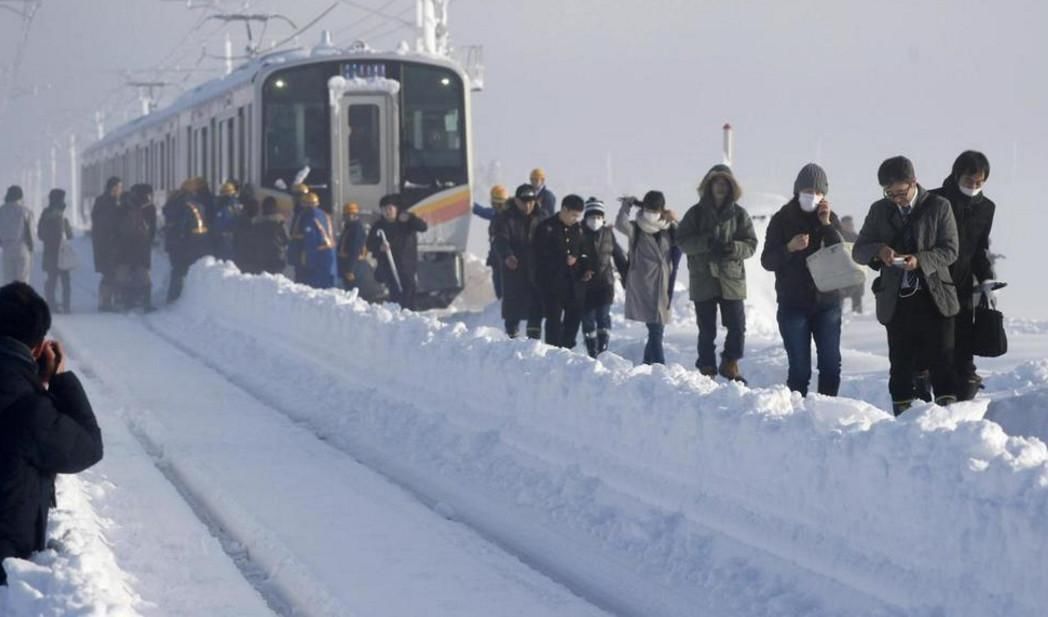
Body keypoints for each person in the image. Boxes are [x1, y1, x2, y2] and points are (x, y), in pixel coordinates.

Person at [0, 282, 104, 586]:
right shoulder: (29, 408)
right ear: (37, 347)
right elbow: (88, 447)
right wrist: (57, 379)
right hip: (6, 572)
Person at [852, 156, 960, 415]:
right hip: (897, 299)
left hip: (934, 296)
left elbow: (950, 249)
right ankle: (903, 419)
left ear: (914, 183)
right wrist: (880, 251)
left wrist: (921, 260)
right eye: (890, 194)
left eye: (900, 192)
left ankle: (947, 419)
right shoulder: (879, 210)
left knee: (942, 359)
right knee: (900, 363)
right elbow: (859, 251)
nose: (896, 198)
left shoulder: (938, 206)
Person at [760, 163, 843, 396]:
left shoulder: (829, 219)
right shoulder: (782, 219)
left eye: (817, 192)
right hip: (793, 304)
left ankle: (827, 409)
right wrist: (789, 247)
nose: (812, 197)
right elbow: (767, 261)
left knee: (830, 365)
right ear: (797, 191)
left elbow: (842, 254)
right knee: (799, 369)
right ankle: (797, 416)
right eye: (807, 191)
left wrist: (826, 224)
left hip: (827, 303)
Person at [676, 165, 758, 382]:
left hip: (731, 278)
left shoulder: (740, 215)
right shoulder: (695, 213)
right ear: (709, 185)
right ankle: (706, 367)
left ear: (730, 187)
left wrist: (733, 248)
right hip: (703, 277)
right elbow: (682, 241)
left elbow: (751, 244)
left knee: (737, 326)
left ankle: (730, 362)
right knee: (706, 329)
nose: (720, 187)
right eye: (716, 183)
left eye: (724, 183)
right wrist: (706, 243)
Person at [929, 150, 998, 401]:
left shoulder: (986, 208)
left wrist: (986, 278)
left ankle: (964, 389)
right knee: (941, 339)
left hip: (964, 280)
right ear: (958, 175)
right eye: (970, 181)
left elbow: (980, 247)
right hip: (934, 279)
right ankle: (942, 391)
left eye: (980, 183)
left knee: (963, 336)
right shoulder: (934, 200)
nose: (974, 187)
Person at [616, 191, 678, 365]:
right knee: (655, 328)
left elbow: (683, 239)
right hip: (643, 284)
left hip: (663, 283)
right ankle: (659, 365)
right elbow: (621, 224)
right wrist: (626, 205)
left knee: (657, 328)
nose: (651, 213)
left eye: (655, 210)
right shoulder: (636, 228)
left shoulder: (667, 229)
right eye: (649, 209)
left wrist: (673, 219)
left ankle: (647, 363)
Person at [532, 194, 589, 349]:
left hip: (573, 283)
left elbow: (584, 250)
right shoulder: (546, 228)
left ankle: (567, 347)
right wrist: (562, 259)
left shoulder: (578, 229)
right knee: (554, 321)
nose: (575, 219)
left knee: (574, 318)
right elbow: (538, 255)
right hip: (551, 284)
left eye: (578, 216)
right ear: (564, 210)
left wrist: (584, 266)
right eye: (573, 215)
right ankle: (553, 350)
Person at [492, 184, 545, 338]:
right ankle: (512, 338)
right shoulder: (506, 218)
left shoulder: (542, 217)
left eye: (531, 201)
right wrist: (507, 255)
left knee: (536, 307)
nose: (528, 205)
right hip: (514, 269)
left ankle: (533, 343)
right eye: (524, 201)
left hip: (536, 270)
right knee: (513, 308)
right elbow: (500, 239)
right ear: (516, 200)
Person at [579, 198, 627, 357]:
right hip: (585, 286)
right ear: (585, 217)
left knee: (603, 317)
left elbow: (619, 257)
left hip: (605, 284)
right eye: (592, 216)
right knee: (587, 320)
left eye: (598, 216)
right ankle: (592, 351)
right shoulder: (579, 233)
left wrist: (626, 278)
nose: (595, 219)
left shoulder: (608, 233)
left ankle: (603, 349)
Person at [366, 194, 428, 308]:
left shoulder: (406, 222)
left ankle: (409, 314)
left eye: (390, 209)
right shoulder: (379, 226)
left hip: (406, 266)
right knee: (395, 294)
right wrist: (380, 247)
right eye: (384, 209)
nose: (387, 212)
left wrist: (410, 217)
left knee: (409, 292)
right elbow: (369, 244)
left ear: (396, 209)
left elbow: (423, 227)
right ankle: (397, 315)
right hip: (388, 267)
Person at [163, 178, 211, 303]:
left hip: (178, 242)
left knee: (178, 269)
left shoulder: (175, 202)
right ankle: (177, 297)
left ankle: (174, 296)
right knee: (182, 269)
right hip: (189, 242)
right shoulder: (192, 204)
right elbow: (184, 225)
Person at [114, 184, 158, 311]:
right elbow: (152, 228)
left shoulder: (124, 205)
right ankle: (146, 302)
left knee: (125, 272)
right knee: (143, 272)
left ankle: (126, 301)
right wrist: (149, 241)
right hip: (142, 244)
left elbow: (116, 227)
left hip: (125, 245)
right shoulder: (150, 207)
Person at [36, 189, 74, 314]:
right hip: (61, 252)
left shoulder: (46, 213)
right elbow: (69, 234)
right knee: (64, 280)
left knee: (52, 280)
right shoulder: (60, 214)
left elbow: (40, 233)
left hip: (51, 252)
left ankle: (52, 304)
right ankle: (65, 305)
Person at [473, 185, 510, 299]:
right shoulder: (497, 214)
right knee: (500, 287)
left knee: (503, 288)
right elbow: (482, 211)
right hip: (498, 257)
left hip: (504, 258)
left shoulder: (504, 216)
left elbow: (483, 211)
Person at [91, 178, 122, 310]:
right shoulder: (107, 202)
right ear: (113, 188)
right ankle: (106, 302)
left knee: (111, 272)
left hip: (108, 243)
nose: (121, 190)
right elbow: (105, 223)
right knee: (109, 272)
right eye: (119, 187)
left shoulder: (105, 201)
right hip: (107, 244)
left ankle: (108, 300)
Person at [296, 192, 337, 290]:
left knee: (317, 288)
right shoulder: (324, 215)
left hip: (319, 256)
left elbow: (311, 240)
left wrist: (309, 263)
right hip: (330, 253)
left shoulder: (309, 216)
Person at [0, 185, 34, 286]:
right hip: (22, 249)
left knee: (8, 281)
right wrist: (31, 249)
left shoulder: (1, 211)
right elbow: (31, 233)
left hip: (7, 250)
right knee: (22, 281)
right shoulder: (25, 211)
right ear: (20, 196)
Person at [251, 196, 288, 276]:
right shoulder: (280, 222)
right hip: (276, 257)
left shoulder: (256, 223)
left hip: (260, 258)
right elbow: (286, 240)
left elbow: (252, 241)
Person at [336, 202, 368, 291]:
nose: (349, 217)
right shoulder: (349, 227)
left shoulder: (356, 229)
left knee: (353, 289)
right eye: (347, 215)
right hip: (346, 263)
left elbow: (355, 250)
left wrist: (350, 269)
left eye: (352, 215)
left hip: (354, 265)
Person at [838, 215, 865, 314]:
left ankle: (857, 315)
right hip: (840, 272)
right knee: (839, 296)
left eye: (851, 224)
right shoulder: (837, 237)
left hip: (855, 271)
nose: (850, 226)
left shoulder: (857, 237)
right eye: (847, 224)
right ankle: (838, 314)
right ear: (842, 225)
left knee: (857, 294)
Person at [210, 182, 242, 261]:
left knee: (225, 257)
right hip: (233, 233)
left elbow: (219, 220)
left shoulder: (222, 204)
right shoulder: (236, 203)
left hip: (224, 234)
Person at [287, 183, 312, 283]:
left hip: (303, 249)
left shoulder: (305, 212)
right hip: (297, 248)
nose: (294, 199)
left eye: (297, 196)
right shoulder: (298, 211)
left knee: (302, 276)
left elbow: (307, 234)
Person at [232, 196, 260, 274]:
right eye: (256, 208)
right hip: (247, 259)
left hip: (241, 257)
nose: (257, 211)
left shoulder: (240, 219)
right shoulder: (249, 223)